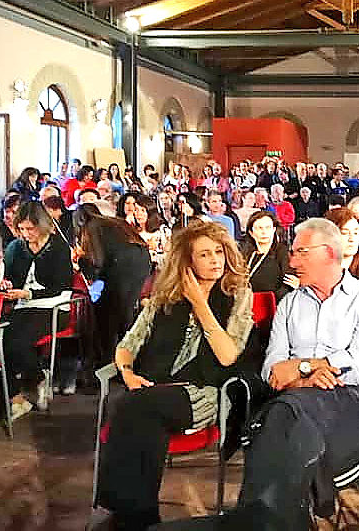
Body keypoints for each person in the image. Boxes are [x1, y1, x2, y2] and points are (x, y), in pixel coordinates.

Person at [96, 220, 254, 530]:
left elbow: (227, 355)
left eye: (219, 252)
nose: (215, 260)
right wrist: (127, 373)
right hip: (155, 390)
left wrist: (200, 303)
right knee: (143, 416)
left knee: (130, 406)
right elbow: (128, 344)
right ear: (187, 261)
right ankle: (138, 518)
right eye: (205, 254)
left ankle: (126, 516)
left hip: (206, 391)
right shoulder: (165, 296)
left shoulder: (238, 294)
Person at [247, 218, 359, 529]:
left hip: (343, 399)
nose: (292, 262)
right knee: (290, 422)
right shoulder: (289, 304)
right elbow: (273, 367)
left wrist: (304, 367)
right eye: (293, 253)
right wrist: (305, 378)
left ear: (329, 253)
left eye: (301, 253)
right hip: (292, 397)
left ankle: (256, 517)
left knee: (279, 418)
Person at [2, 201, 73, 415]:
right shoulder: (15, 247)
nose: (26, 234)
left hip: (54, 305)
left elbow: (61, 285)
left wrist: (28, 294)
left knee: (17, 341)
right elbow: (12, 278)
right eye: (21, 229)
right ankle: (18, 394)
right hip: (23, 304)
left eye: (30, 229)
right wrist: (6, 285)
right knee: (0, 339)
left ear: (41, 225)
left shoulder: (59, 247)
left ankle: (35, 379)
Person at [76, 214, 152, 369]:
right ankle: (127, 361)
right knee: (125, 313)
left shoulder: (92, 228)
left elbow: (96, 265)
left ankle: (106, 362)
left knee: (107, 313)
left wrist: (81, 260)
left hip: (121, 266)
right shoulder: (113, 222)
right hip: (142, 259)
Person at [240, 211, 297, 300]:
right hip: (246, 302)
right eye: (259, 228)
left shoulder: (283, 253)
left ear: (274, 230)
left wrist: (269, 300)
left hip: (274, 303)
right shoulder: (245, 254)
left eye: (268, 227)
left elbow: (288, 285)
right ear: (251, 232)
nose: (264, 232)